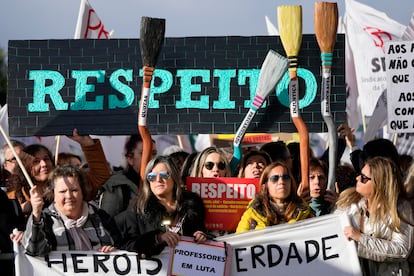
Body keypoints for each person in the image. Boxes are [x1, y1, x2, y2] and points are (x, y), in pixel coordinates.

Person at [115, 155, 207, 258]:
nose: (158, 180)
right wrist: (157, 238)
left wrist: (200, 235)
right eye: (152, 176)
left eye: (164, 175)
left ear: (174, 177)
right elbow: (128, 244)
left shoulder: (192, 206)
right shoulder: (138, 209)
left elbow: (201, 230)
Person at [335, 156, 414, 276]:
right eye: (359, 174)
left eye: (364, 178)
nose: (357, 178)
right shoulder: (348, 201)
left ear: (379, 184)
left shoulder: (401, 208)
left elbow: (401, 250)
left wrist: (361, 239)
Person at [22, 165, 119, 256]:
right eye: (62, 192)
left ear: (83, 191)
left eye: (74, 190)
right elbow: (33, 250)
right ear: (53, 194)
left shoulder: (101, 217)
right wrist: (36, 213)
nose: (69, 196)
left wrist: (115, 251)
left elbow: (122, 246)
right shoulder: (46, 220)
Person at [23, 128, 111, 202]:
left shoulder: (70, 183)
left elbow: (100, 176)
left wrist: (87, 143)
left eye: (46, 159)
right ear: (26, 166)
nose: (44, 164)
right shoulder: (18, 194)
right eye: (36, 161)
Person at [236, 161, 312, 233]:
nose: (281, 182)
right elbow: (239, 241)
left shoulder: (305, 214)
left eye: (286, 177)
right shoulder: (252, 215)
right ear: (265, 186)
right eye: (275, 178)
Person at [99, 134, 157, 217]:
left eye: (154, 153)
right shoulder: (117, 187)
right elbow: (106, 223)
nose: (151, 159)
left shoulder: (159, 184)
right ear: (130, 159)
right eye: (144, 153)